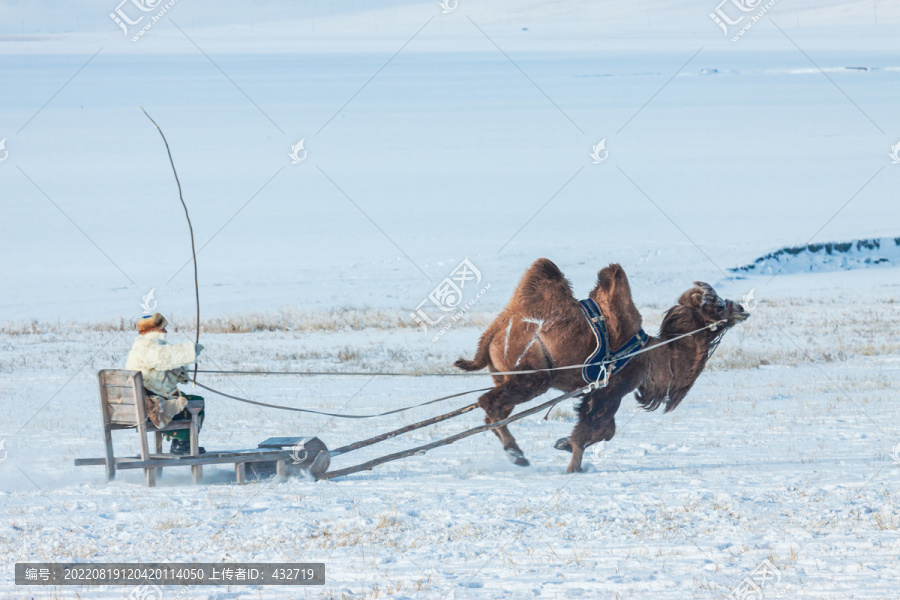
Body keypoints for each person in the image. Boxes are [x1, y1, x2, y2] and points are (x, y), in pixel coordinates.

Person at [125, 313, 206, 455]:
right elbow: (167, 356)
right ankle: (182, 443)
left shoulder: (143, 347)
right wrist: (190, 351)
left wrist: (180, 370)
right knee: (196, 403)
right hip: (151, 405)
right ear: (152, 329)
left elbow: (162, 363)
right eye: (162, 328)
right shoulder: (148, 347)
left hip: (146, 399)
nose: (166, 332)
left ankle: (179, 440)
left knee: (188, 399)